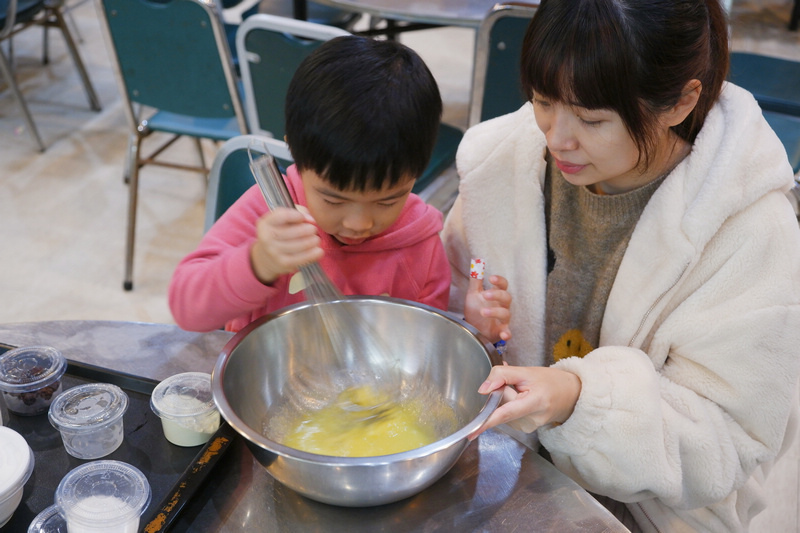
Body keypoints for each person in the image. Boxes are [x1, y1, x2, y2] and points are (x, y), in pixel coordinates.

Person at [442, 0, 800, 531]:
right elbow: (460, 278)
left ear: (680, 102)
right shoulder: (502, 163)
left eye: (591, 119)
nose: (556, 137)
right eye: (542, 100)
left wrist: (579, 401)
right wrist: (473, 323)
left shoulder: (749, 231)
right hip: (508, 467)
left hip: (651, 508)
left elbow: (725, 443)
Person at [169, 36, 450, 333]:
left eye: (387, 202)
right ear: (296, 154)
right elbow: (186, 310)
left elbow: (427, 341)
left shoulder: (421, 242)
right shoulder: (271, 214)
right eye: (334, 200)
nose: (359, 223)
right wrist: (259, 262)